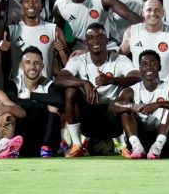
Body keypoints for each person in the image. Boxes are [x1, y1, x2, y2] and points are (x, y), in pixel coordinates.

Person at [56, 24, 141, 157]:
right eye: (91, 37)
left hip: (112, 116)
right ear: (86, 42)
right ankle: (77, 145)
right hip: (87, 116)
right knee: (70, 90)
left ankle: (124, 144)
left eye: (100, 36)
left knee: (128, 90)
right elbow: (60, 79)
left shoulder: (119, 60)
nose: (95, 40)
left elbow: (137, 77)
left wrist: (111, 80)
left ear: (107, 40)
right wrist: (83, 82)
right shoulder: (79, 60)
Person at [109, 51, 169, 159]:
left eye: (153, 63)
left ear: (159, 67)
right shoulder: (131, 90)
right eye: (144, 64)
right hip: (141, 138)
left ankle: (157, 146)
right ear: (140, 69)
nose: (149, 66)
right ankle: (136, 146)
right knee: (124, 109)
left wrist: (158, 104)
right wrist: (132, 106)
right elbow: (112, 106)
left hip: (165, 141)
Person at [120, 0, 169, 85]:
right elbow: (119, 57)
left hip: (168, 86)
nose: (153, 13)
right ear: (143, 12)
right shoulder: (131, 32)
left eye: (157, 10)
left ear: (163, 12)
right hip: (138, 87)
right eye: (149, 10)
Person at [0, 0, 69, 82]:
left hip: (45, 89)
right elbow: (1, 67)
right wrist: (0, 50)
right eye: (26, 1)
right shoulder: (11, 30)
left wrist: (62, 51)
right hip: (19, 89)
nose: (31, 5)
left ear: (42, 5)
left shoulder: (53, 29)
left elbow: (68, 65)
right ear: (21, 4)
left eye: (35, 1)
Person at [4, 47, 64, 157]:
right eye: (28, 63)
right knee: (12, 112)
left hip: (44, 139)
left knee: (54, 113)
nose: (32, 67)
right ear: (21, 66)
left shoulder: (49, 85)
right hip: (22, 138)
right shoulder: (13, 84)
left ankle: (46, 147)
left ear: (42, 66)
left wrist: (31, 95)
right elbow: (14, 103)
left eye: (36, 63)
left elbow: (59, 100)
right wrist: (45, 106)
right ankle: (11, 149)